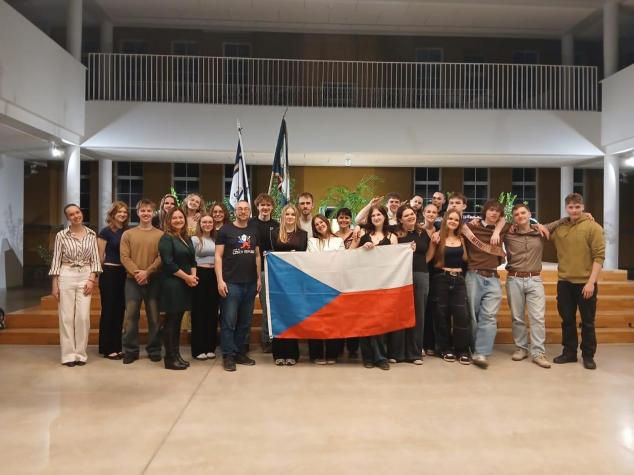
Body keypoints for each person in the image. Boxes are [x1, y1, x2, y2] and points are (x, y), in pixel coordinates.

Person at [549, 193, 605, 370]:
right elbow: (542, 229)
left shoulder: (593, 227)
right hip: (564, 282)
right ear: (566, 208)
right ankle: (569, 352)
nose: (574, 210)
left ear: (583, 207)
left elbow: (599, 257)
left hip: (585, 283)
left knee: (587, 321)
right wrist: (561, 220)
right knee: (567, 320)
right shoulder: (560, 229)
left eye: (577, 207)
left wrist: (591, 283)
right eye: (571, 207)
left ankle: (588, 355)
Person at [49, 204, 102, 366]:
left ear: (81, 213)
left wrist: (92, 279)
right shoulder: (61, 235)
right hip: (66, 274)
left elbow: (95, 259)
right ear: (67, 218)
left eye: (77, 212)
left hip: (85, 275)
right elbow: (56, 260)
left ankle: (80, 354)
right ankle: (68, 355)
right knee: (66, 317)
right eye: (71, 214)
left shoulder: (91, 234)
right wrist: (55, 284)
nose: (76, 216)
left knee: (83, 317)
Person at [462, 199, 509, 369]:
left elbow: (509, 221)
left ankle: (481, 352)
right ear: (485, 211)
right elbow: (449, 222)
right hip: (473, 275)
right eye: (491, 210)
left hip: (493, 277)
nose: (494, 213)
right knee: (473, 316)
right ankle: (473, 347)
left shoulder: (503, 227)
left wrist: (496, 231)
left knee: (489, 316)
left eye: (497, 211)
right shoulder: (471, 226)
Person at [215, 200, 261, 372]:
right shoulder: (225, 230)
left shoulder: (254, 230)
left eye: (246, 209)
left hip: (250, 282)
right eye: (240, 209)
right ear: (235, 211)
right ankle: (228, 355)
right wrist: (220, 280)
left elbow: (257, 255)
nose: (243, 211)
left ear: (249, 212)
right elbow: (218, 256)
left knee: (245, 321)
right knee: (228, 321)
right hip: (231, 282)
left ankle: (239, 352)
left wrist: (258, 278)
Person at [504, 203, 551, 369]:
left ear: (529, 214)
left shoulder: (539, 231)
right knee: (517, 317)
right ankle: (521, 348)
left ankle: (538, 353)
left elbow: (560, 223)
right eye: (516, 214)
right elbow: (494, 223)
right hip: (514, 279)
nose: (520, 216)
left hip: (534, 280)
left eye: (523, 213)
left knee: (537, 317)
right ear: (513, 218)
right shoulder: (508, 233)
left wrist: (586, 215)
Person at [351, 205, 397, 370]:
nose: (376, 217)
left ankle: (381, 357)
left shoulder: (392, 237)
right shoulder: (362, 233)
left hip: (383, 284)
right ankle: (368, 357)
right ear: (370, 218)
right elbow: (349, 252)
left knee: (379, 320)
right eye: (373, 215)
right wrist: (361, 249)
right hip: (363, 283)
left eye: (379, 214)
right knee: (364, 320)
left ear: (385, 216)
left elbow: (396, 260)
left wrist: (409, 250)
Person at [120, 199, 163, 364]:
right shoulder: (128, 234)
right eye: (143, 211)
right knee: (131, 317)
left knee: (154, 317)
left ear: (153, 213)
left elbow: (161, 257)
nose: (146, 213)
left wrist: (147, 272)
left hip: (154, 280)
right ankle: (131, 351)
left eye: (149, 211)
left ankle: (154, 349)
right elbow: (124, 257)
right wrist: (138, 273)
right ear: (137, 213)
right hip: (132, 281)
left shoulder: (160, 235)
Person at [386, 204, 430, 365]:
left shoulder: (422, 232)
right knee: (399, 312)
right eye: (406, 215)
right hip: (400, 276)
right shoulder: (394, 233)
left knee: (418, 313)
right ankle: (396, 353)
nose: (411, 217)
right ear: (400, 219)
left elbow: (429, 252)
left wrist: (422, 262)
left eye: (412, 214)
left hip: (420, 274)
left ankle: (415, 353)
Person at [426, 210, 471, 364]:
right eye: (450, 218)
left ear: (459, 223)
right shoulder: (437, 237)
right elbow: (429, 258)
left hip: (459, 279)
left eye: (456, 220)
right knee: (441, 315)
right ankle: (445, 349)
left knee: (462, 315)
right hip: (441, 279)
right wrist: (433, 243)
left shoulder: (461, 238)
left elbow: (465, 258)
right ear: (445, 220)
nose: (453, 221)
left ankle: (462, 350)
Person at [158, 208, 198, 370]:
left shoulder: (186, 238)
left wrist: (193, 277)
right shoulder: (166, 238)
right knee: (171, 322)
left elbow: (192, 260)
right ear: (169, 220)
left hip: (185, 284)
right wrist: (187, 277)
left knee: (177, 321)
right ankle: (169, 358)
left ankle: (176, 355)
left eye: (181, 217)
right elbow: (168, 263)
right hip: (172, 284)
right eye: (174, 218)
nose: (178, 220)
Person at [270, 204, 309, 365]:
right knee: (279, 314)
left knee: (292, 315)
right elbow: (271, 254)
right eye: (287, 214)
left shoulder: (303, 234)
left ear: (296, 217)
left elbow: (304, 256)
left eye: (293, 214)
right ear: (283, 216)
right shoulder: (274, 233)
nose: (290, 217)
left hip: (295, 280)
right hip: (278, 279)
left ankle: (292, 354)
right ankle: (278, 354)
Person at [307, 214, 345, 364]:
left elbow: (341, 260)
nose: (320, 225)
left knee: (332, 321)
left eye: (321, 222)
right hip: (315, 285)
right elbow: (311, 261)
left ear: (327, 223)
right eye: (316, 224)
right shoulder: (312, 241)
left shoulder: (338, 240)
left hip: (334, 285)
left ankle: (332, 354)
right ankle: (316, 354)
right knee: (315, 320)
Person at [97, 201, 129, 360]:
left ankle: (117, 346)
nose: (122, 214)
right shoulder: (105, 232)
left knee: (119, 310)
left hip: (123, 273)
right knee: (109, 310)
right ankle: (107, 347)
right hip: (109, 272)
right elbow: (99, 256)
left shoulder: (127, 231)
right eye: (119, 212)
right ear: (112, 214)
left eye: (125, 212)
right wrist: (96, 276)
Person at [249, 193, 280, 353]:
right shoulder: (250, 223)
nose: (265, 207)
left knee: (268, 308)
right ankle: (244, 342)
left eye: (268, 205)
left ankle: (267, 339)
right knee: (247, 309)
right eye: (262, 205)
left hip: (269, 270)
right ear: (257, 207)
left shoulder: (277, 225)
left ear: (272, 207)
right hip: (250, 270)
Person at [190, 213, 220, 360]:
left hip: (214, 275)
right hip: (200, 275)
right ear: (200, 224)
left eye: (210, 222)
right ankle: (198, 348)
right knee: (199, 311)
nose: (207, 224)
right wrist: (193, 277)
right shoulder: (195, 239)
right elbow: (191, 260)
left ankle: (210, 347)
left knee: (212, 311)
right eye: (204, 222)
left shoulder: (216, 239)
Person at [334, 207, 358, 357]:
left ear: (350, 219)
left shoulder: (356, 234)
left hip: (353, 277)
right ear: (337, 219)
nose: (344, 220)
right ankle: (338, 347)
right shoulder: (332, 236)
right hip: (337, 279)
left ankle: (353, 348)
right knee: (338, 314)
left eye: (346, 218)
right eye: (341, 217)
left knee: (352, 313)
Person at [420, 203, 439, 356]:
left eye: (434, 212)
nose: (431, 214)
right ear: (423, 213)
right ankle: (419, 343)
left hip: (437, 273)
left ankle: (431, 343)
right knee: (422, 309)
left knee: (433, 309)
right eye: (428, 211)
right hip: (422, 271)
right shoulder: (418, 231)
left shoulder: (441, 230)